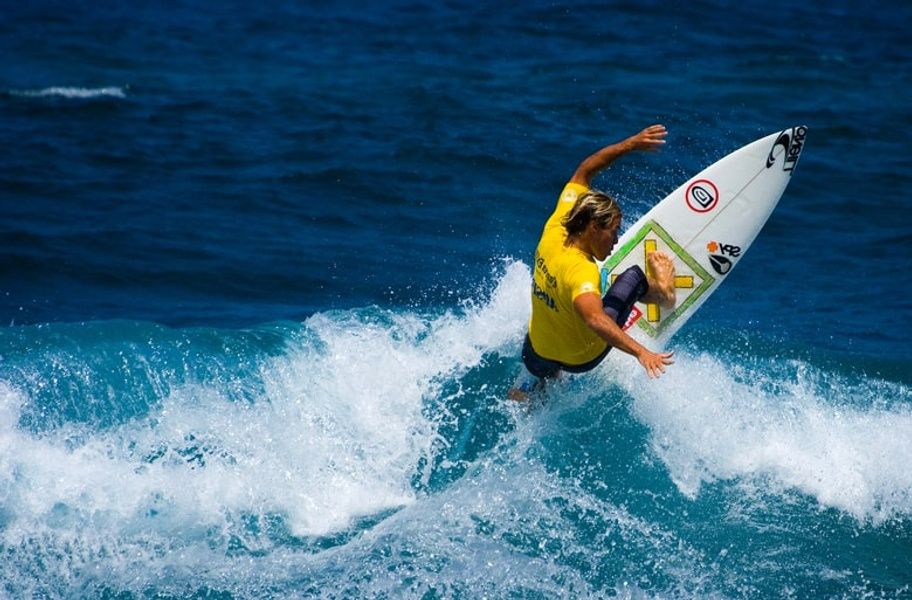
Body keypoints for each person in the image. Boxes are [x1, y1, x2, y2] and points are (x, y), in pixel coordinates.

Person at [510, 124, 677, 400]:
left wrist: (631, 144)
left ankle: (536, 391)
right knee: (633, 276)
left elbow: (584, 172)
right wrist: (642, 352)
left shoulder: (556, 225)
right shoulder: (582, 272)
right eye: (613, 232)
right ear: (592, 227)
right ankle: (665, 293)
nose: (616, 240)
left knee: (542, 343)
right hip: (583, 357)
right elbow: (595, 319)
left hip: (537, 350)